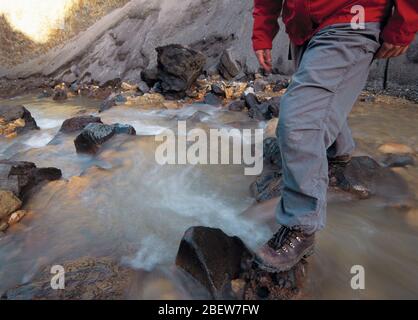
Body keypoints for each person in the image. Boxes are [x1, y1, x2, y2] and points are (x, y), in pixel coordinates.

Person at [252, 0, 418, 272]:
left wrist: (403, 24)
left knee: (299, 122)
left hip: (353, 18)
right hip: (304, 27)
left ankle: (301, 225)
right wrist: (262, 33)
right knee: (319, 102)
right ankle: (337, 154)